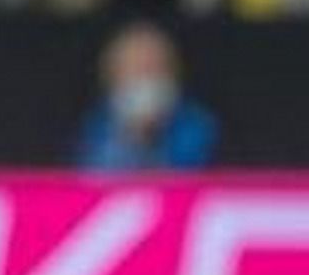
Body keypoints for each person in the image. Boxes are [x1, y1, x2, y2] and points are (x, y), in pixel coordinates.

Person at [74, 22, 218, 173]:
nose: (146, 78)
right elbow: (92, 173)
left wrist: (154, 136)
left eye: (154, 67)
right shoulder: (96, 126)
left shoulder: (198, 124)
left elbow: (193, 171)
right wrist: (131, 137)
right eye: (137, 68)